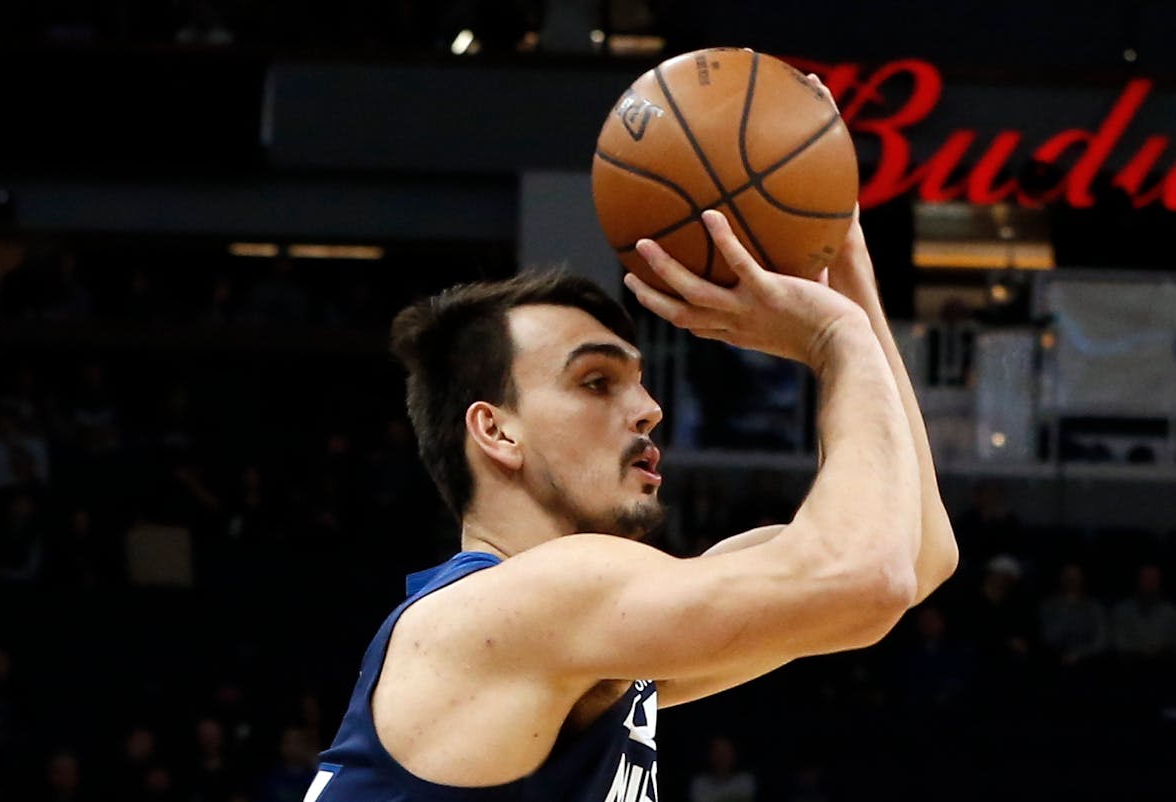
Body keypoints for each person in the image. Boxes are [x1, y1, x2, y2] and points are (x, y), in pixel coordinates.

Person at [313, 80, 958, 802]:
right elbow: (869, 578)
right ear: (496, 431)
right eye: (596, 382)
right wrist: (835, 339)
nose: (649, 409)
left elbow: (916, 554)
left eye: (640, 382)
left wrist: (848, 281)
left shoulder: (583, 646)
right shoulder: (517, 607)